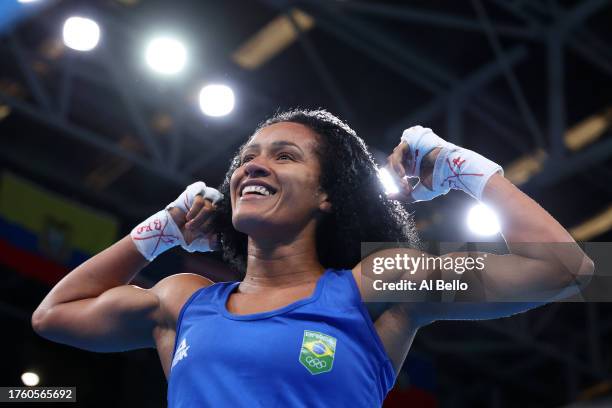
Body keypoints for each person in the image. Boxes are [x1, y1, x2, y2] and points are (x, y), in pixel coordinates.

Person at [31, 109, 593, 407]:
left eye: (284, 156)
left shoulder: (378, 283)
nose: (253, 165)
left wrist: (460, 167)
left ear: (328, 195)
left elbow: (569, 270)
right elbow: (53, 315)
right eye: (247, 157)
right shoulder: (180, 301)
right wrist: (157, 233)